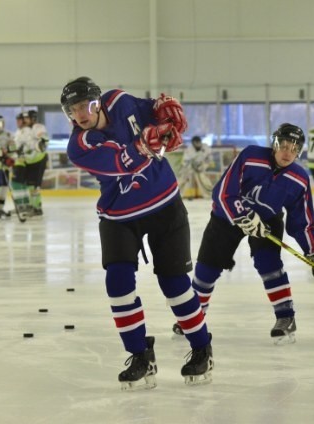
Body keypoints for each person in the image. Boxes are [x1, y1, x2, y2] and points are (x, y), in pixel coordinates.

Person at [61, 76, 213, 390]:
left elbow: (154, 113)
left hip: (165, 205)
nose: (81, 114)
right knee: (117, 284)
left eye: (86, 105)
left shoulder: (121, 100)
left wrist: (164, 115)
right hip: (119, 216)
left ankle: (202, 349)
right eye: (73, 110)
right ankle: (140, 355)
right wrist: (145, 143)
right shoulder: (79, 146)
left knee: (175, 285)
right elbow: (121, 161)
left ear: (99, 100)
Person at [173, 123, 314, 345]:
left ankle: (286, 317)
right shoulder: (250, 156)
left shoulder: (299, 179)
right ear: (275, 144)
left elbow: (302, 223)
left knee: (270, 265)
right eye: (284, 146)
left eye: (294, 149)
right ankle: (194, 316)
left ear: (299, 152)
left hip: (267, 220)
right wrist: (243, 215)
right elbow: (223, 192)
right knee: (207, 268)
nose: (287, 153)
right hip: (227, 216)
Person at [23, 110, 49, 216]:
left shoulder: (38, 126)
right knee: (30, 185)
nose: (25, 120)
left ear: (33, 118)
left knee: (35, 185)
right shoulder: (28, 129)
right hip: (31, 160)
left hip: (38, 159)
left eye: (27, 118)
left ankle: (37, 207)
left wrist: (42, 142)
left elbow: (44, 138)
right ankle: (33, 205)